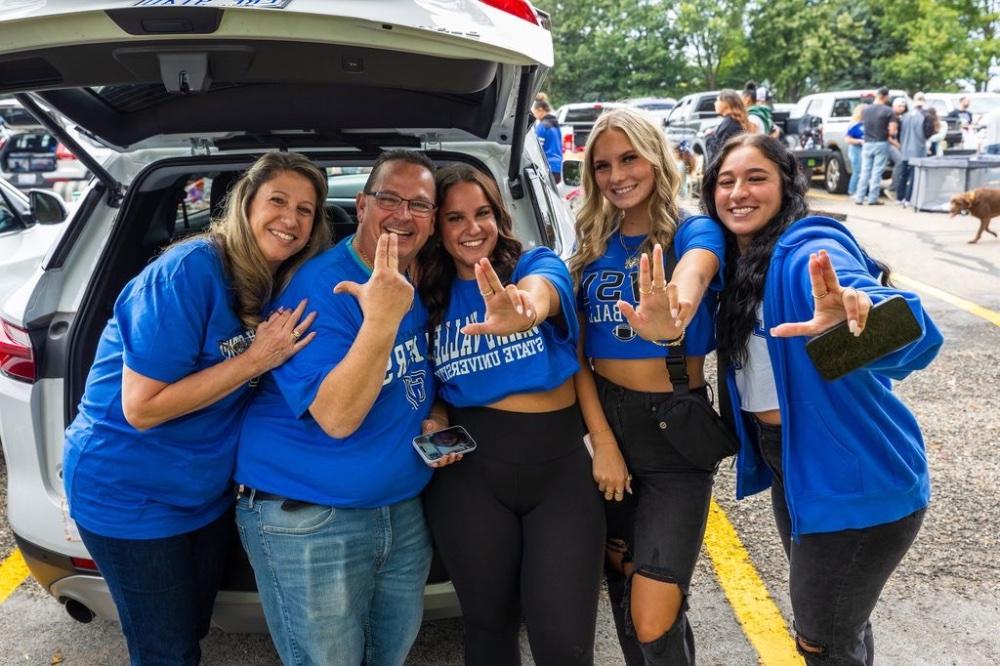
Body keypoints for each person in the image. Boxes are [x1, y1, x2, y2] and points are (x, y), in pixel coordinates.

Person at [62, 151, 330, 665]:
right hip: (130, 491)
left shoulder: (280, 281)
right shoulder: (187, 273)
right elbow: (142, 408)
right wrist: (255, 359)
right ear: (246, 204)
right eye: (278, 201)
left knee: (190, 628)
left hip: (202, 492)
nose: (291, 219)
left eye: (306, 209)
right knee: (166, 651)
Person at [702, 133, 942, 665]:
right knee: (841, 624)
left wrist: (861, 316)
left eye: (756, 177)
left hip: (855, 475)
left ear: (787, 185)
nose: (739, 192)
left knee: (821, 638)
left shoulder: (806, 249)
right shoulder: (739, 265)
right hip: (796, 465)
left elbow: (914, 332)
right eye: (726, 181)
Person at [234, 150, 438, 666]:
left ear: (432, 221)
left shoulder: (419, 280)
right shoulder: (318, 289)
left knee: (389, 654)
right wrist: (381, 319)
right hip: (311, 518)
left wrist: (438, 418)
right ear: (363, 204)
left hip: (399, 511)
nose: (402, 214)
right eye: (389, 199)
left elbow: (411, 376)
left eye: (419, 205)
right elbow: (338, 417)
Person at [418, 163, 604, 665]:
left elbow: (545, 291)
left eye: (482, 213)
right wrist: (434, 423)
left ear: (500, 216)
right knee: (488, 628)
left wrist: (525, 309)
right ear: (438, 227)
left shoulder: (531, 266)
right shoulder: (427, 297)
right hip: (470, 476)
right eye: (455, 218)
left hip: (560, 473)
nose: (471, 228)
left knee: (564, 643)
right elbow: (433, 390)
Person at [570, 107, 725, 665]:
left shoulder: (692, 229)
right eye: (604, 164)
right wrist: (603, 442)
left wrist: (673, 313)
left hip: (672, 433)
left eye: (630, 157)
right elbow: (579, 356)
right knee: (624, 584)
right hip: (604, 428)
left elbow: (697, 272)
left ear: (657, 157)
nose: (617, 175)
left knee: (653, 612)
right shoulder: (592, 240)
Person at [853, 87, 897, 206]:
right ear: (886, 96)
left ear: (877, 95)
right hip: (881, 143)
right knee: (876, 172)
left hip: (867, 143)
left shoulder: (865, 110)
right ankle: (873, 199)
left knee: (865, 171)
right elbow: (892, 131)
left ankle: (859, 197)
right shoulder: (888, 111)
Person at [706, 89, 751, 165]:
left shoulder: (730, 124)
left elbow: (717, 155)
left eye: (717, 100)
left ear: (726, 104)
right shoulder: (733, 121)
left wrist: (709, 137)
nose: (715, 103)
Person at [896, 99, 927, 206]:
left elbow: (899, 132)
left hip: (905, 149)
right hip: (917, 150)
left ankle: (899, 197)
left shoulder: (905, 116)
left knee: (903, 174)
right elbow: (924, 133)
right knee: (913, 176)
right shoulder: (922, 116)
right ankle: (909, 199)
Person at [533, 96, 564, 183]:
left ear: (540, 110)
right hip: (558, 167)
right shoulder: (555, 125)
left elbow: (537, 149)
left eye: (535, 112)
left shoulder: (542, 126)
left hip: (547, 167)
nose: (534, 115)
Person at [845, 103, 866, 196]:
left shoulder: (865, 123)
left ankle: (860, 191)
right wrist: (858, 141)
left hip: (863, 149)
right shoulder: (854, 124)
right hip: (855, 149)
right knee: (857, 171)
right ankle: (852, 190)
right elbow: (847, 139)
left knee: (863, 171)